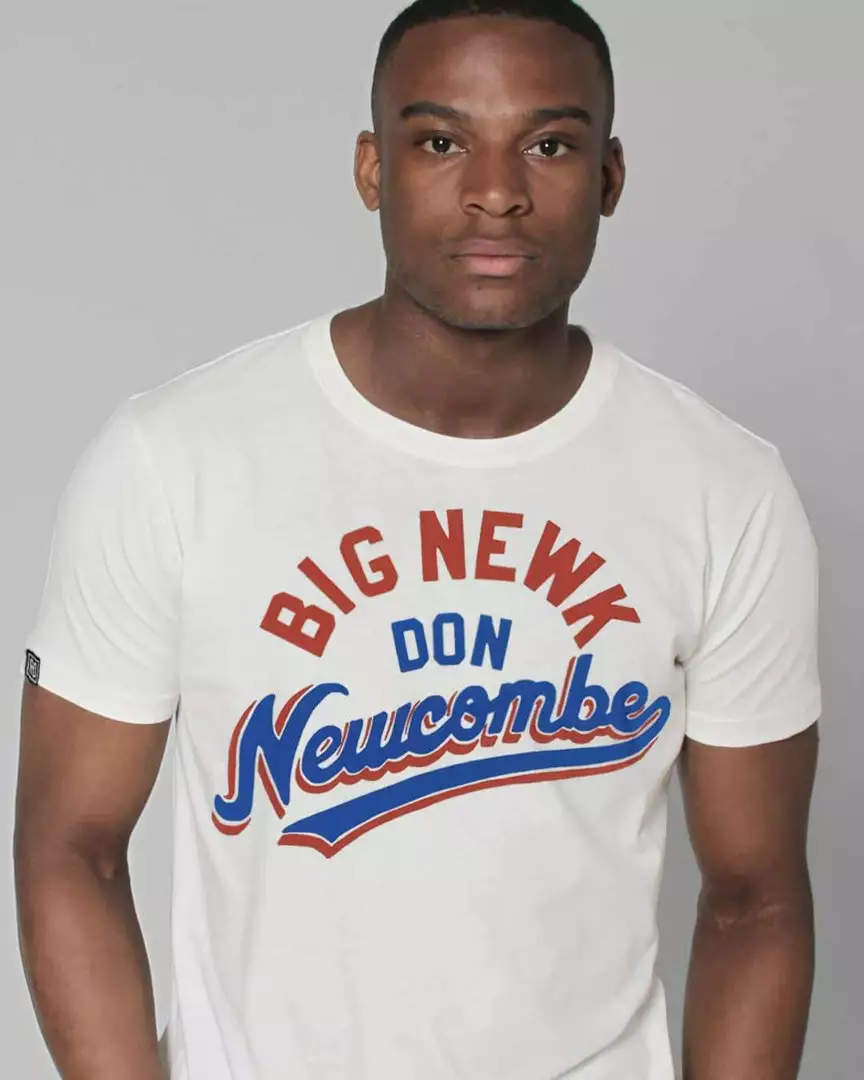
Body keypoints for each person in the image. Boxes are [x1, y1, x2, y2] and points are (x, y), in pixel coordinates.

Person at [14, 1, 821, 1078]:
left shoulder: (726, 489)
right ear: (371, 169)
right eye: (441, 142)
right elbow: (70, 847)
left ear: (611, 176)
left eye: (549, 145)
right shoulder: (175, 458)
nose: (496, 190)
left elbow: (755, 901)